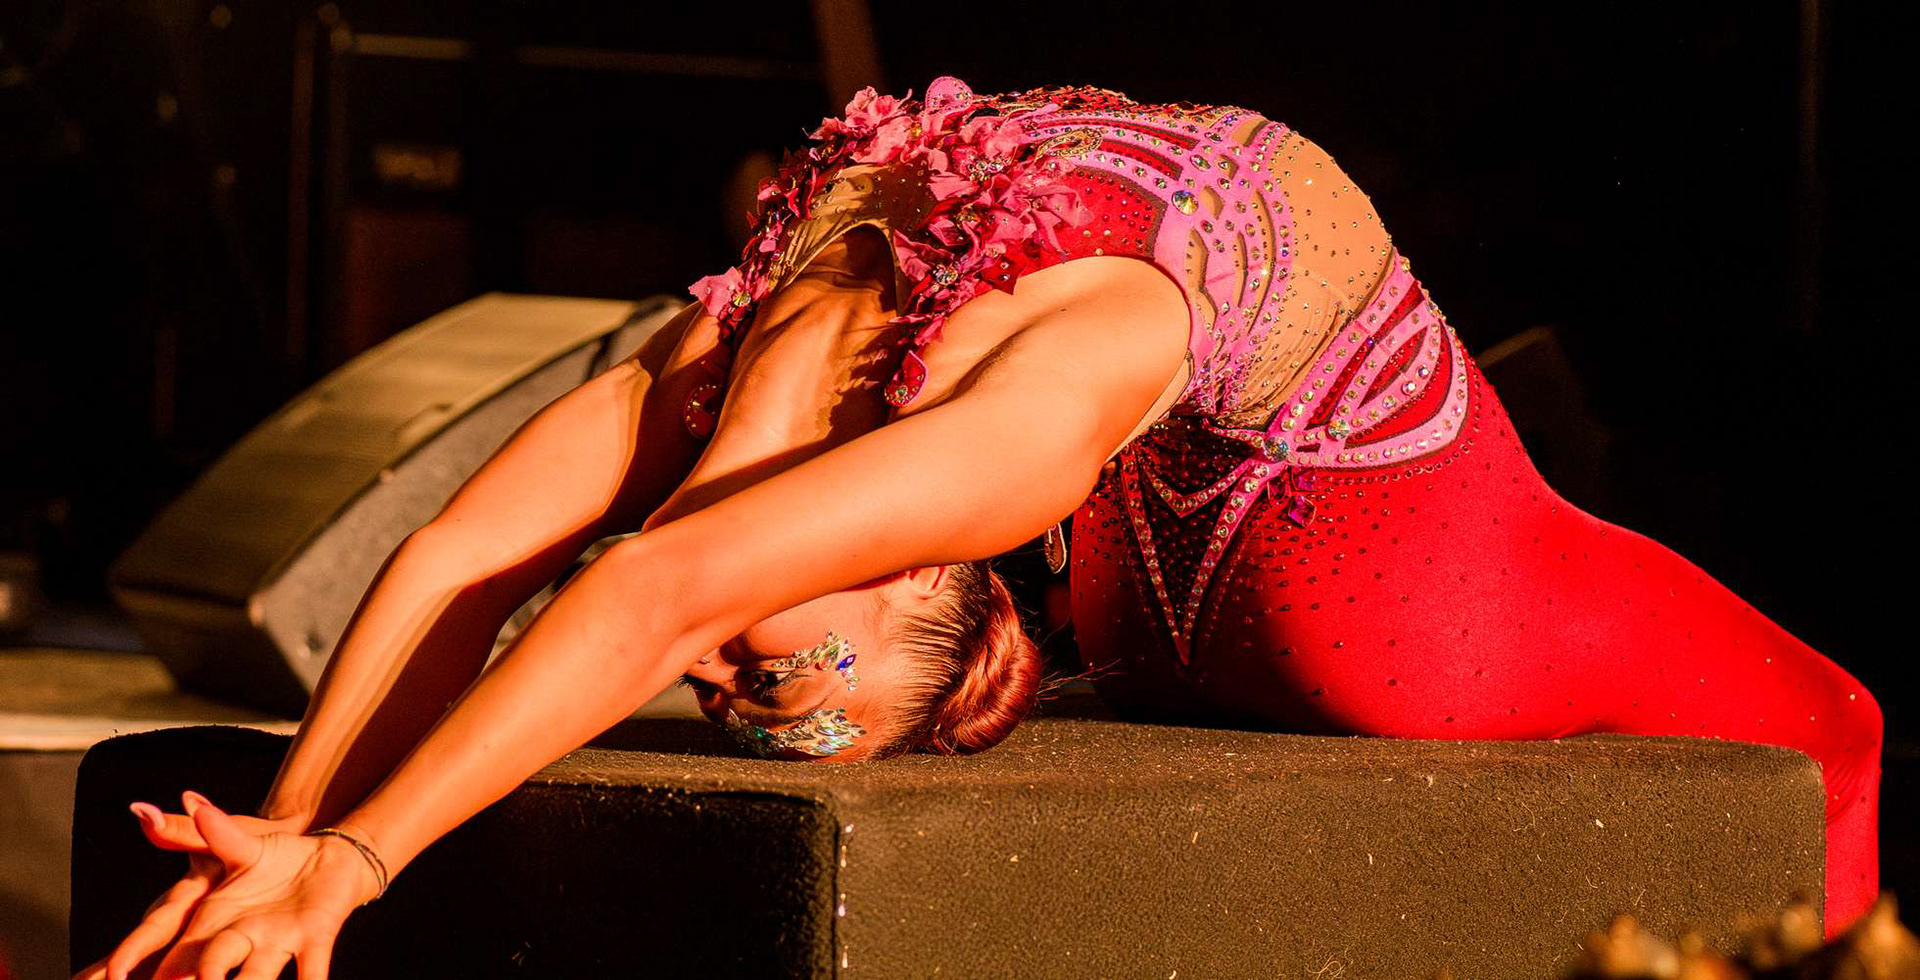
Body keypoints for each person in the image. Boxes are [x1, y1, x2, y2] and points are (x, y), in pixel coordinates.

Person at [77, 76, 1880, 979]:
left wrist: (324, 841)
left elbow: (531, 573)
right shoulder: (979, 443)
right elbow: (569, 582)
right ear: (903, 568)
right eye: (784, 699)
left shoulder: (725, 367)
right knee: (1838, 729)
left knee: (1835, 728)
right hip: (1394, 586)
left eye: (742, 697)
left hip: (1191, 570)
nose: (724, 676)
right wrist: (315, 847)